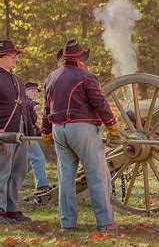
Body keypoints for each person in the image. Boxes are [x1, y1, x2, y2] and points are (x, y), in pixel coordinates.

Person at [41, 39, 120, 232]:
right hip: (82, 129)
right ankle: (105, 222)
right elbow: (99, 103)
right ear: (80, 60)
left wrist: (46, 131)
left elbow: (46, 109)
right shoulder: (86, 77)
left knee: (65, 178)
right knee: (97, 175)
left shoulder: (50, 78)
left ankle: (67, 223)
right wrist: (111, 125)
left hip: (59, 130)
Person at [0, 40, 32, 223]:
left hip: (20, 131)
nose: (15, 58)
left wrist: (31, 130)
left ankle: (11, 208)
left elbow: (25, 109)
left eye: (15, 55)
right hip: (4, 131)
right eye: (11, 56)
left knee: (19, 170)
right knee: (2, 171)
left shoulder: (17, 79)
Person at [25, 82, 52, 192]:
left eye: (36, 91)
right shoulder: (25, 101)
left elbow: (32, 124)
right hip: (27, 137)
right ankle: (42, 185)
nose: (35, 93)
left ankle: (8, 181)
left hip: (27, 135)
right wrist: (36, 106)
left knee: (25, 164)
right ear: (25, 91)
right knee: (38, 159)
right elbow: (30, 105)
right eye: (32, 90)